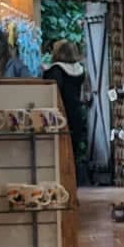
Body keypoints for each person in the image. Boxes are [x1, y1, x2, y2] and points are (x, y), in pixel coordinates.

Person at [41, 40, 90, 181]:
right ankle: (72, 180)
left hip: (60, 114)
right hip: (76, 114)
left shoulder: (55, 71)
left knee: (58, 152)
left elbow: (52, 91)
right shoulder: (80, 70)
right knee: (73, 151)